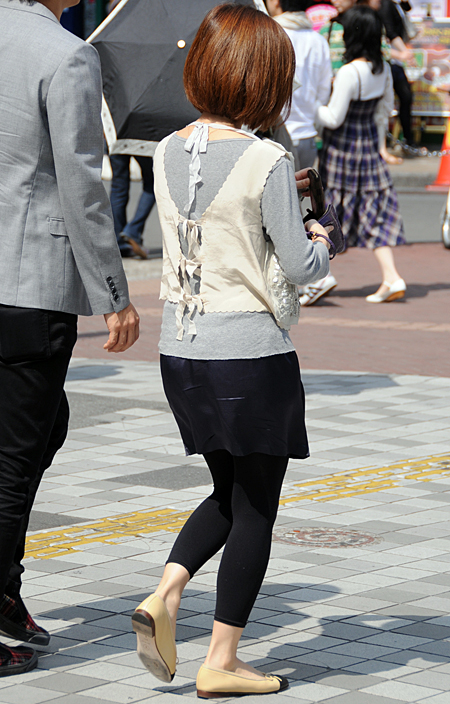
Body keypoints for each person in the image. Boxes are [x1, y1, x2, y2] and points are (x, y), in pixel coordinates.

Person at [130, 4, 330, 698]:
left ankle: (165, 592)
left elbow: (215, 215)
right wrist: (319, 232)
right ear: (263, 79)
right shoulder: (268, 158)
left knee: (227, 488)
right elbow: (302, 266)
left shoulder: (166, 148)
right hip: (249, 352)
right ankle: (221, 659)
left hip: (181, 349)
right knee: (256, 505)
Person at [0, 0, 140, 677]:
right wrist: (114, 294)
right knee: (15, 458)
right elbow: (83, 184)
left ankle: (7, 592)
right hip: (29, 280)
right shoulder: (66, 54)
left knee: (42, 430)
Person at [317, 5, 406, 302]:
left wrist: (311, 106)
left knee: (331, 212)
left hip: (342, 151)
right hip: (368, 148)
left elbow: (333, 118)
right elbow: (384, 110)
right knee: (374, 212)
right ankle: (391, 276)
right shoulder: (382, 69)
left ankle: (321, 277)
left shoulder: (349, 72)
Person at [266, 0, 332, 170]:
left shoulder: (269, 34)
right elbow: (324, 91)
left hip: (273, 137)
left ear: (276, 2)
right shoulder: (318, 40)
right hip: (307, 137)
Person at [109, 154, 155, 259]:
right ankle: (133, 230)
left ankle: (119, 243)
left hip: (118, 145)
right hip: (144, 145)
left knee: (118, 187)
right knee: (153, 183)